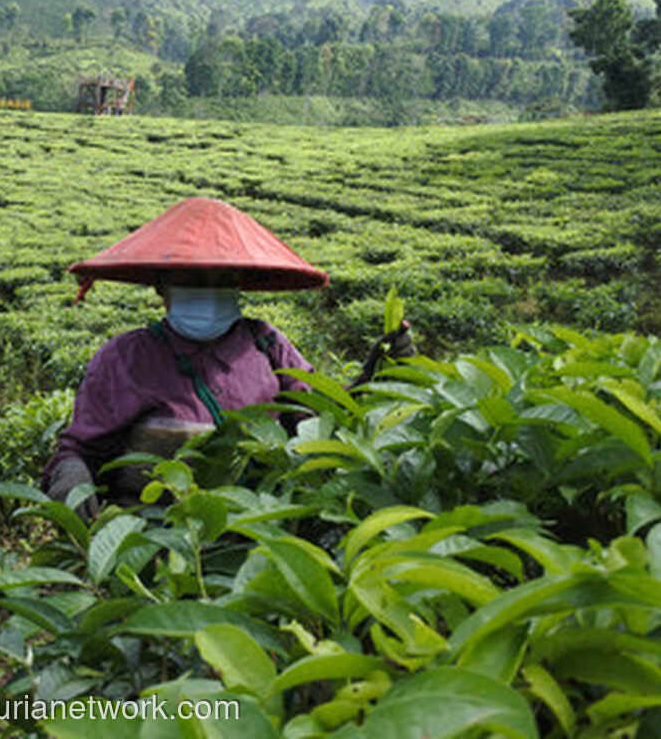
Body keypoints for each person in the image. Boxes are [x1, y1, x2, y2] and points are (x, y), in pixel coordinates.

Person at [41, 197, 412, 517]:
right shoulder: (125, 358)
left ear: (239, 284)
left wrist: (377, 373)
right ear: (161, 287)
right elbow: (80, 448)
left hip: (260, 527)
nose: (207, 291)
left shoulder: (267, 345)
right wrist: (72, 476)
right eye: (191, 280)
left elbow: (319, 419)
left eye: (221, 279)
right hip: (156, 532)